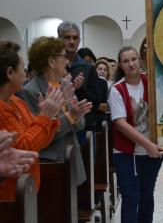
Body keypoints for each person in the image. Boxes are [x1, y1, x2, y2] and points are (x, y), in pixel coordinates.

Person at [18, 36, 92, 186]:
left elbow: (80, 124)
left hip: (71, 160)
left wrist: (75, 114)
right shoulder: (31, 91)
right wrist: (71, 116)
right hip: (50, 164)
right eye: (64, 56)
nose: (67, 61)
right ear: (51, 62)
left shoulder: (63, 84)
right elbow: (41, 132)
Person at [0, 40, 64, 201]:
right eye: (22, 68)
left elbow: (40, 142)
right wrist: (45, 116)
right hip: (9, 197)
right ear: (9, 72)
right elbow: (23, 147)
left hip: (27, 190)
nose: (26, 74)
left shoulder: (17, 102)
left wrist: (51, 116)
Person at [108, 46, 163, 223]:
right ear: (121, 65)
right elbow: (121, 124)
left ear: (140, 60)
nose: (131, 64)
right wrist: (148, 145)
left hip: (153, 151)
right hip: (126, 153)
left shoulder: (153, 82)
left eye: (134, 59)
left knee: (147, 195)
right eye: (126, 61)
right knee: (131, 198)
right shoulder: (117, 89)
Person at [58, 21, 100, 145]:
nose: (71, 41)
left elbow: (96, 102)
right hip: (59, 127)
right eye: (67, 37)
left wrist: (80, 89)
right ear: (59, 39)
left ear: (79, 40)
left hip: (85, 127)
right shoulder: (53, 66)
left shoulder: (88, 67)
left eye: (75, 38)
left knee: (86, 164)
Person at [95, 60, 110, 130]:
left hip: (104, 117)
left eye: (105, 70)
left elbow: (107, 105)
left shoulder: (109, 84)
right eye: (99, 69)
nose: (102, 71)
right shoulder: (91, 83)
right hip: (96, 117)